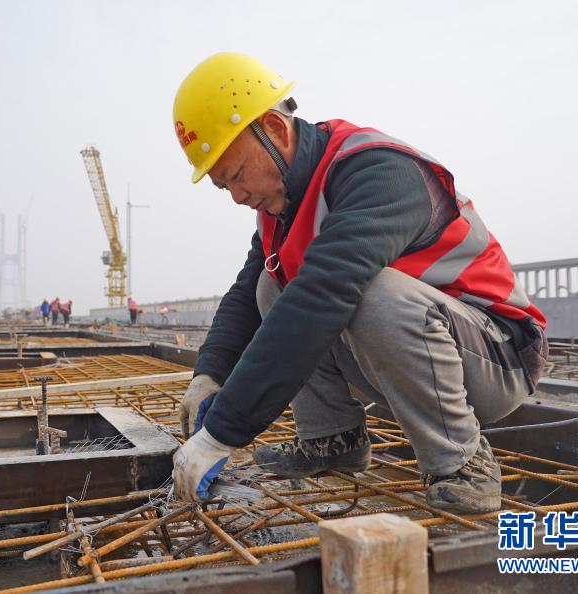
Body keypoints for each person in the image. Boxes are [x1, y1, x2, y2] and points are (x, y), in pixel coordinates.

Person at [170, 52, 548, 513]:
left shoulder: (377, 173)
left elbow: (322, 296)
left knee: (362, 292)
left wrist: (222, 433)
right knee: (271, 284)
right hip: (418, 359)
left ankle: (463, 462)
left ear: (274, 129)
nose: (236, 196)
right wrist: (209, 375)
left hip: (498, 357)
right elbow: (245, 300)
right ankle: (333, 441)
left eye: (235, 175)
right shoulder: (281, 207)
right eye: (222, 186)